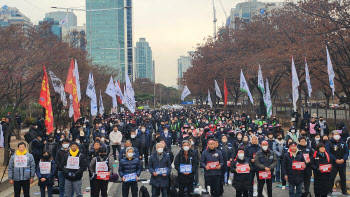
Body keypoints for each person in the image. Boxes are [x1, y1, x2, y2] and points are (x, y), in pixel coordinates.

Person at [325, 130, 349, 196]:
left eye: (338, 134)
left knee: (343, 178)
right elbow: (328, 152)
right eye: (335, 134)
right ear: (332, 135)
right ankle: (329, 191)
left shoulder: (343, 143)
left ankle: (344, 191)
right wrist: (335, 160)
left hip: (342, 163)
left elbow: (347, 152)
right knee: (331, 178)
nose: (337, 135)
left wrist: (343, 159)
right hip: (333, 164)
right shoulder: (329, 143)